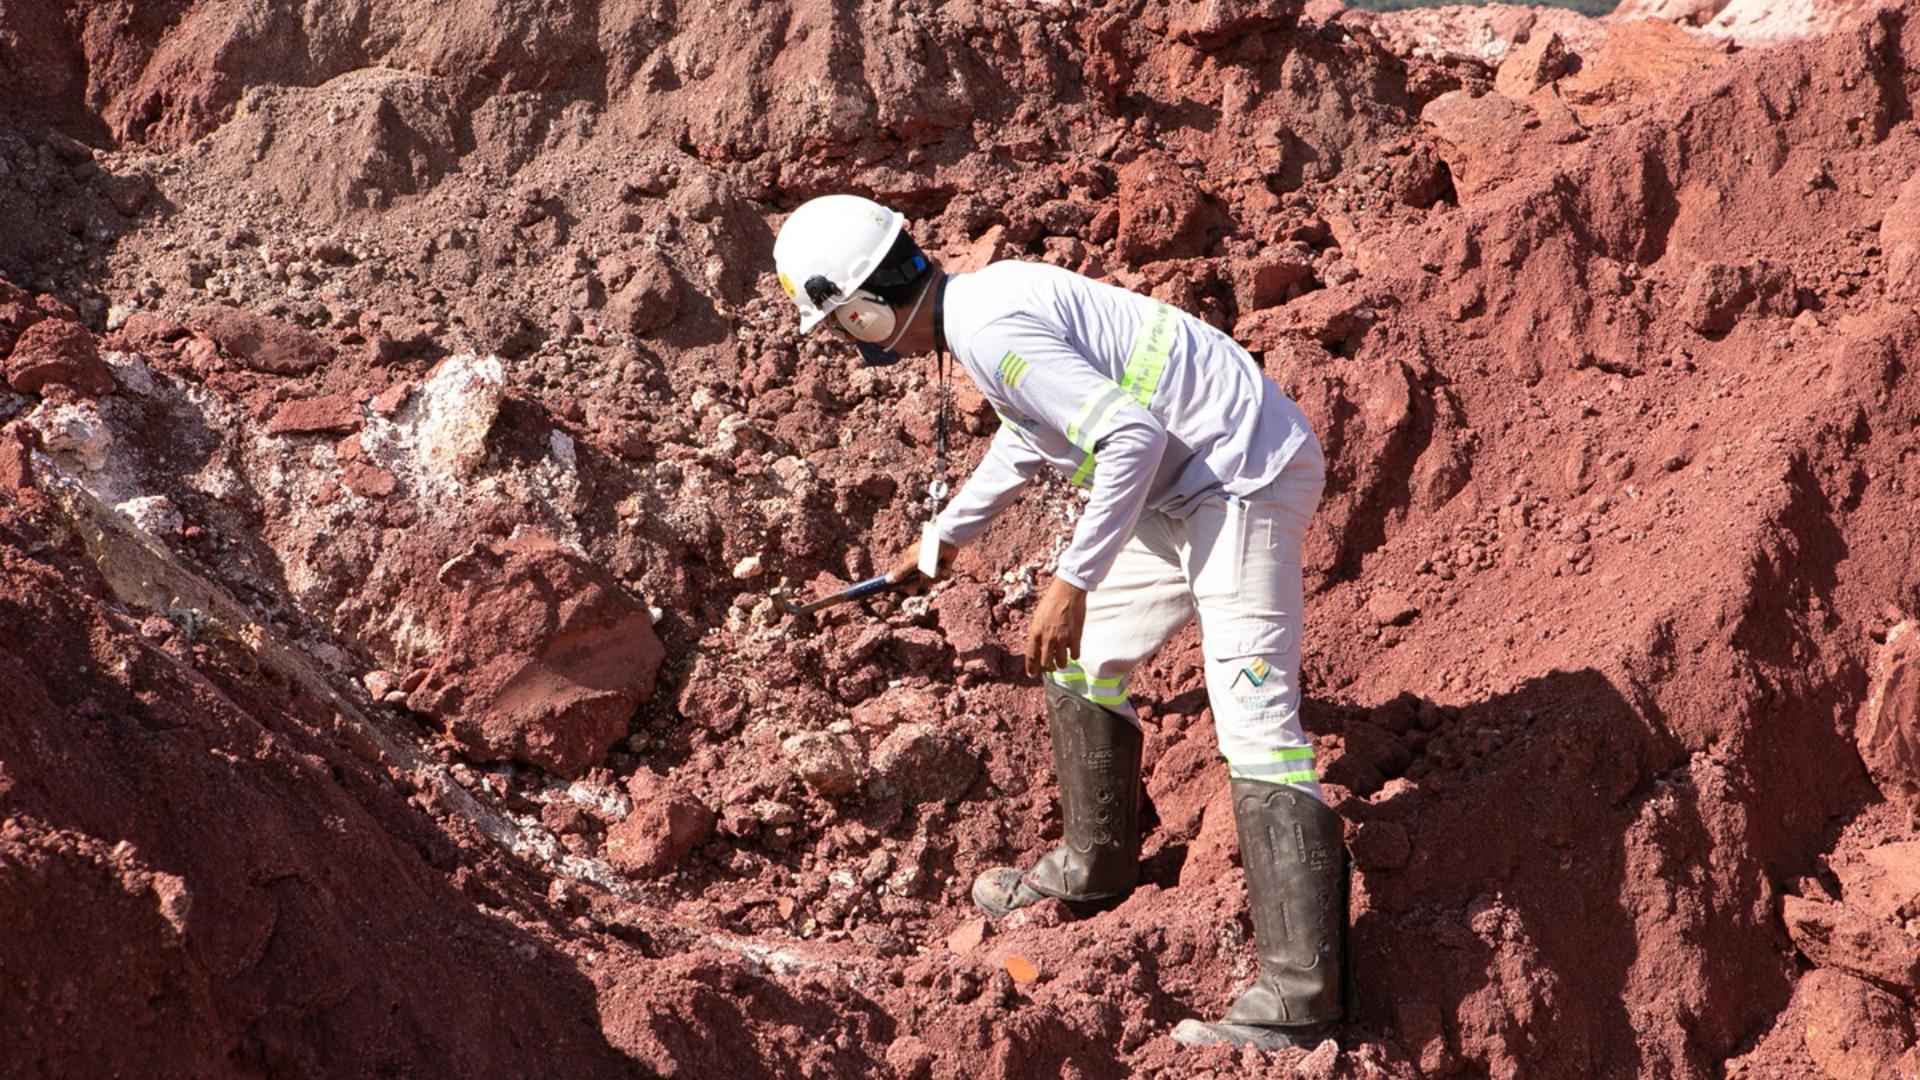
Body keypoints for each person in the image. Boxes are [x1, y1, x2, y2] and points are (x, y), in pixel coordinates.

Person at [771, 194, 1347, 1051]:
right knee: (1079, 661)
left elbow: (1129, 434)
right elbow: (1032, 437)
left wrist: (1072, 578)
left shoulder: (989, 328)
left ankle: (1302, 999)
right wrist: (940, 543)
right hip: (1183, 491)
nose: (854, 345)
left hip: (1243, 480)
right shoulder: (981, 311)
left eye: (844, 327)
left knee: (1255, 722)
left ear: (861, 308)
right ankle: (1095, 868)